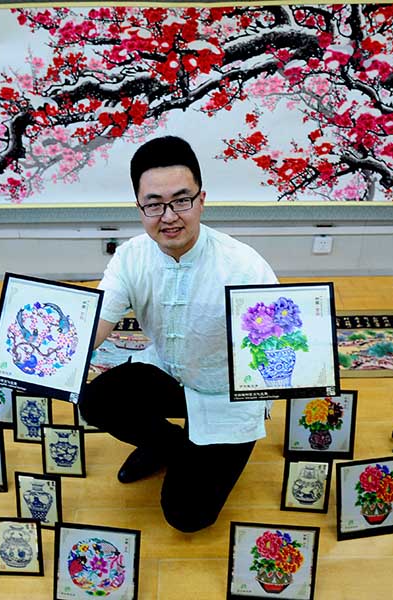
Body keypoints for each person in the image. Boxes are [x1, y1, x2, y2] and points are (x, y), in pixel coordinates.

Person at [78, 136, 277, 533]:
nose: (168, 216)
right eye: (154, 204)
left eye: (181, 200)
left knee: (187, 516)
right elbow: (96, 322)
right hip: (169, 373)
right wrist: (45, 358)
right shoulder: (131, 255)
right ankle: (170, 446)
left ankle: (196, 452)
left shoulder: (245, 267)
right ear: (139, 207)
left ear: (201, 200)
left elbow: (275, 353)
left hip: (227, 392)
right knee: (95, 400)